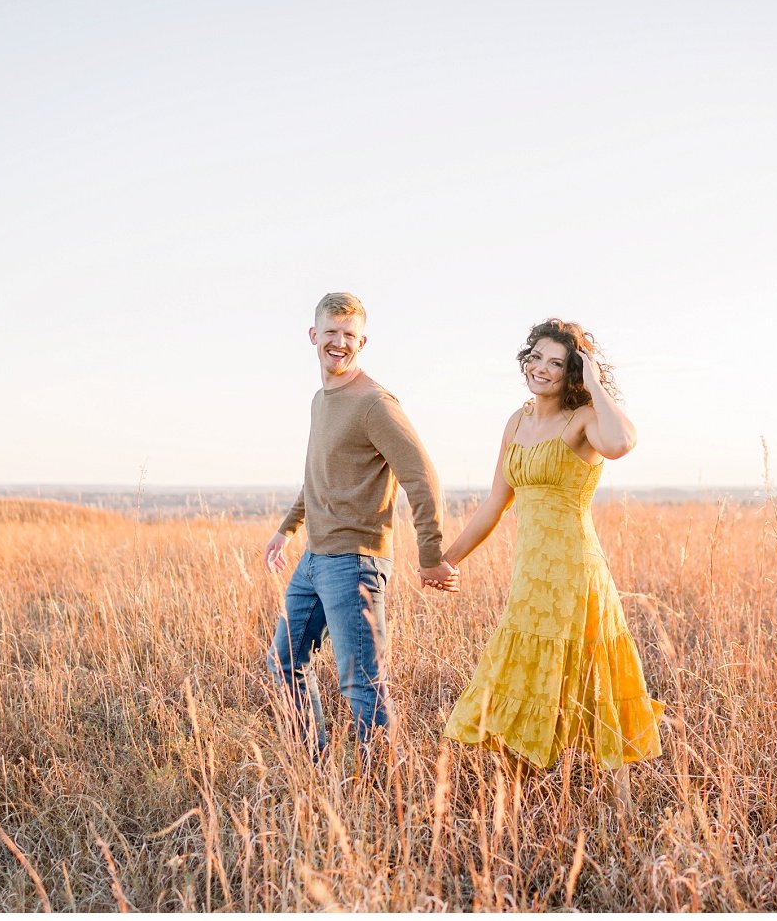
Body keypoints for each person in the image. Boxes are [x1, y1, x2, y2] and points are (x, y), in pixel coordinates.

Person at [438, 319, 665, 806]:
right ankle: (513, 813)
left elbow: (622, 443)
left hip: (576, 571)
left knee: (596, 676)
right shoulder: (516, 422)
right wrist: (447, 560)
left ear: (572, 374)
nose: (542, 369)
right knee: (521, 675)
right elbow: (494, 503)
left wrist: (596, 385)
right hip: (530, 576)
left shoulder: (583, 420)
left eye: (557, 364)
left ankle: (622, 812)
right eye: (536, 358)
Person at [264, 293, 458, 766]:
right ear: (314, 336)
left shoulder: (374, 403)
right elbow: (318, 475)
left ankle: (382, 793)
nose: (339, 342)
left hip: (355, 562)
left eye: (349, 335)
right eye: (330, 332)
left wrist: (430, 555)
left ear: (362, 342)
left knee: (362, 684)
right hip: (315, 559)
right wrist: (287, 529)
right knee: (284, 662)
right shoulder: (321, 400)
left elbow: (422, 476)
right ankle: (315, 765)